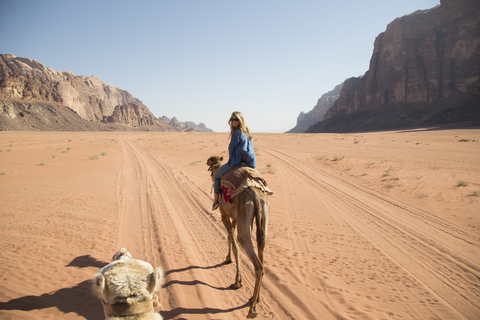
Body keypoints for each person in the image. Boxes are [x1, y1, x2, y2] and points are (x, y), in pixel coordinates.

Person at [212, 111, 256, 210]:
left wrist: (232, 154)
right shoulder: (247, 131)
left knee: (217, 177)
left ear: (240, 120)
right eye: (232, 119)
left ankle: (215, 201)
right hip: (249, 163)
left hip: (236, 162)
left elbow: (231, 149)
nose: (234, 121)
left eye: (236, 119)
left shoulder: (237, 132)